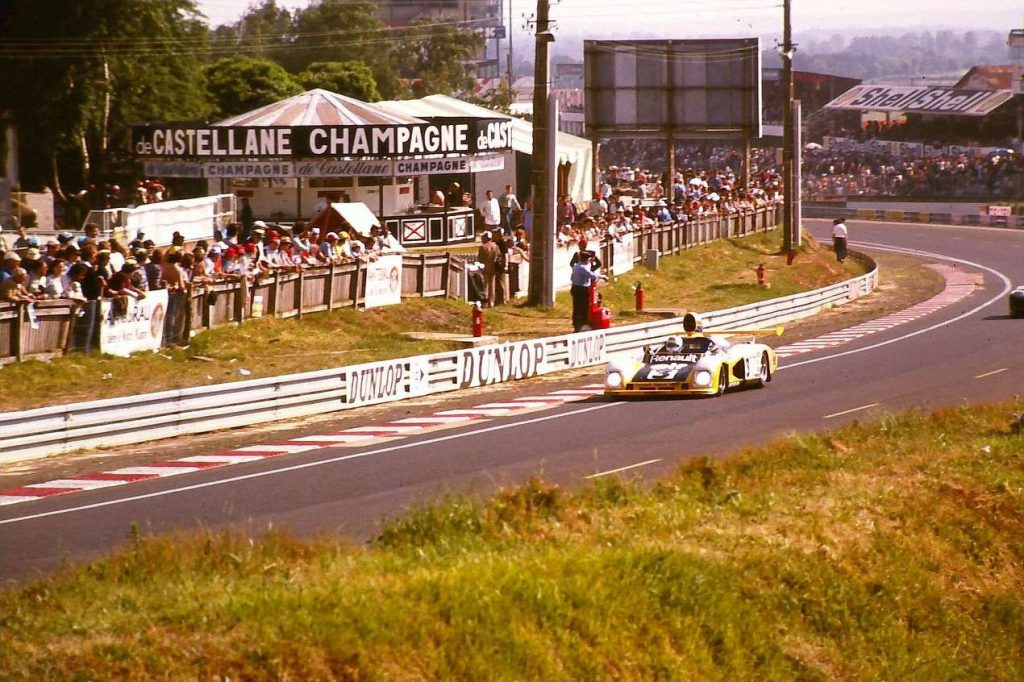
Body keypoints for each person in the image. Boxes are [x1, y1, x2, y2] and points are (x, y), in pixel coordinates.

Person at [570, 252, 606, 333]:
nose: (590, 261)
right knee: (584, 308)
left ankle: (577, 325)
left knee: (576, 308)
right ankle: (581, 325)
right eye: (589, 259)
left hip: (575, 287)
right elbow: (592, 276)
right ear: (586, 259)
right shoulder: (583, 267)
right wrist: (602, 276)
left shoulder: (576, 266)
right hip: (582, 289)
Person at [476, 231, 502, 308]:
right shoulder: (495, 246)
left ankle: (485, 302)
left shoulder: (482, 247)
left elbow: (480, 259)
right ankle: (491, 303)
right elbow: (499, 256)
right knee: (492, 286)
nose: (481, 238)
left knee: (485, 286)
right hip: (493, 268)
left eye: (482, 237)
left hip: (485, 268)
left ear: (486, 238)